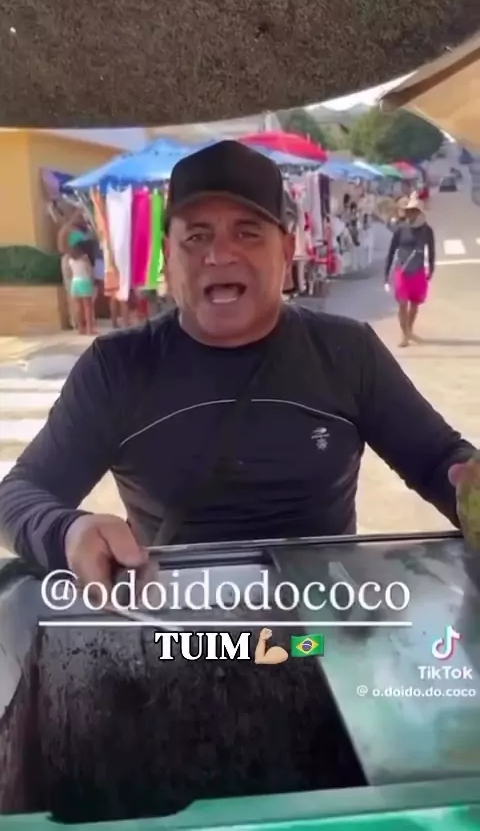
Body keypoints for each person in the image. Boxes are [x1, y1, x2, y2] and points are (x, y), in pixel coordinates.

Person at [0, 141, 476, 592]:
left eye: (247, 233)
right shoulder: (117, 367)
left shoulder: (347, 351)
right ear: (167, 256)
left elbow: (438, 460)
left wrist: (468, 486)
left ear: (286, 250)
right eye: (196, 236)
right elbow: (17, 495)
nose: (220, 254)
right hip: (178, 632)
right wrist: (68, 531)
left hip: (319, 627)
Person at [385, 197, 435, 347]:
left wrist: (431, 268)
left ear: (419, 212)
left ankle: (409, 330)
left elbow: (431, 251)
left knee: (414, 305)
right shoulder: (401, 229)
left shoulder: (427, 230)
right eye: (409, 211)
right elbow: (391, 251)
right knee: (402, 304)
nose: (411, 214)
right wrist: (386, 276)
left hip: (418, 270)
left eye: (414, 211)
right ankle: (405, 334)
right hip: (401, 270)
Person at [67, 232, 96, 335]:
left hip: (74, 282)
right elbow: (90, 271)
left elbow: (70, 273)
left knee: (78, 307)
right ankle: (89, 329)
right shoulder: (85, 257)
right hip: (85, 281)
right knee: (88, 307)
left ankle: (80, 328)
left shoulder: (70, 259)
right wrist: (92, 282)